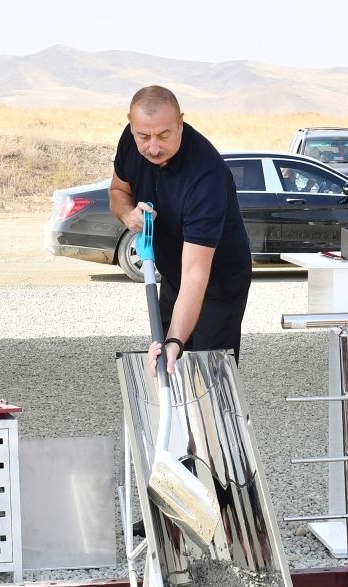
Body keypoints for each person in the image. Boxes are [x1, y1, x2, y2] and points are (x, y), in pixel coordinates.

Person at [109, 85, 252, 375]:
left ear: (180, 122)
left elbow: (196, 274)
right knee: (163, 363)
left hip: (217, 279)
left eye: (164, 135)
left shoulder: (206, 175)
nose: (153, 147)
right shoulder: (130, 140)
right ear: (131, 124)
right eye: (144, 136)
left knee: (207, 372)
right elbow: (117, 190)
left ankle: (222, 419)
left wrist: (176, 341)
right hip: (175, 272)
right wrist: (128, 214)